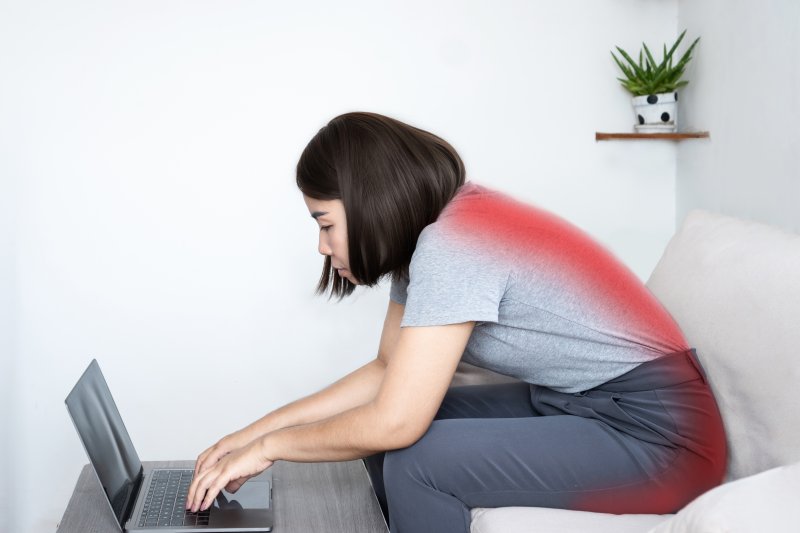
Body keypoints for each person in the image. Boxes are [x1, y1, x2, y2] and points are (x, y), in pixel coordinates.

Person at [186, 111, 727, 532]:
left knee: (412, 457)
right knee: (387, 432)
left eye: (325, 224)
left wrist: (269, 450)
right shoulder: (433, 235)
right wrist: (253, 433)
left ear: (368, 201)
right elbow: (386, 370)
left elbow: (398, 421)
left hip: (662, 438)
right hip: (579, 405)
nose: (322, 246)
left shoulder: (455, 243)